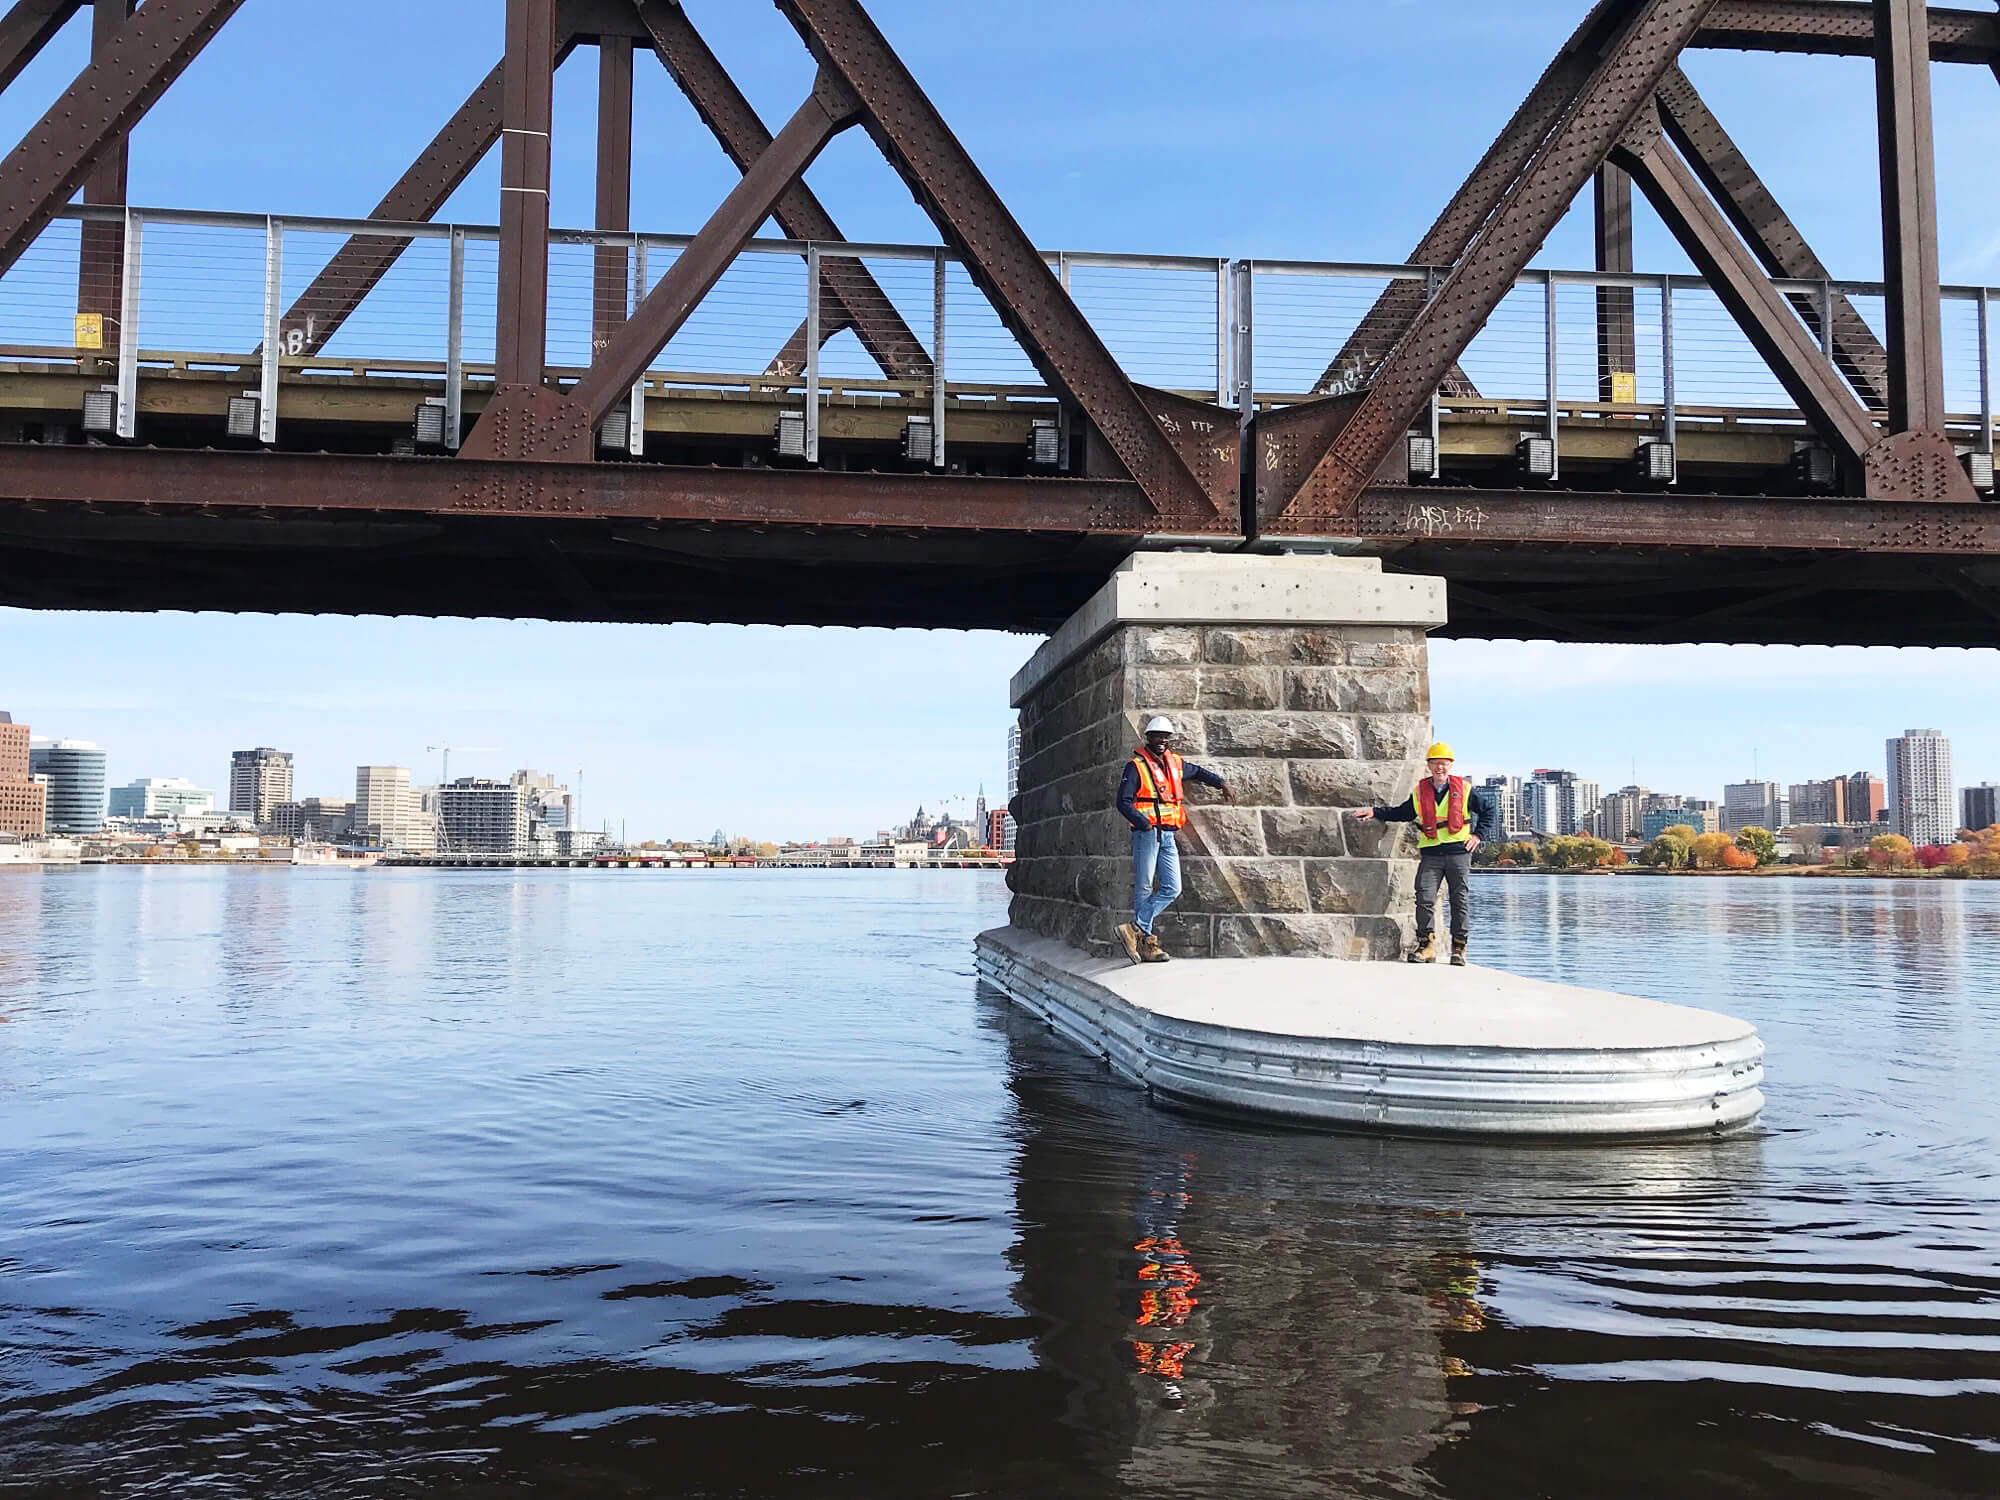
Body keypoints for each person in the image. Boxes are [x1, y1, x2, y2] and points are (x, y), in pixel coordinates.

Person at [1349, 743, 1498, 966]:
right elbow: (1403, 812)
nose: (1440, 767)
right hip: (1431, 854)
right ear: (1428, 765)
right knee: (1424, 898)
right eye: (1435, 763)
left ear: (1451, 765)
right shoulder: (1420, 791)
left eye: (1444, 763)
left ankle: (1459, 948)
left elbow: (1490, 811)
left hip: (1458, 852)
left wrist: (1477, 835)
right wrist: (1375, 812)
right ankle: (1426, 946)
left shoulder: (1465, 790)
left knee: (1459, 900)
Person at [1115, 716, 1236, 964]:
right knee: (1145, 886)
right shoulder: (1136, 766)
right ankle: (1147, 945)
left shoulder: (1175, 764)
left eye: (1166, 736)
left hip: (1169, 834)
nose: (1163, 740)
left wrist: (1221, 783)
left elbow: (1199, 772)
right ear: (1148, 738)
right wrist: (1143, 822)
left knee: (1173, 887)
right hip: (1147, 834)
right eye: (1158, 736)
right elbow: (1122, 802)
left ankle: (1134, 928)